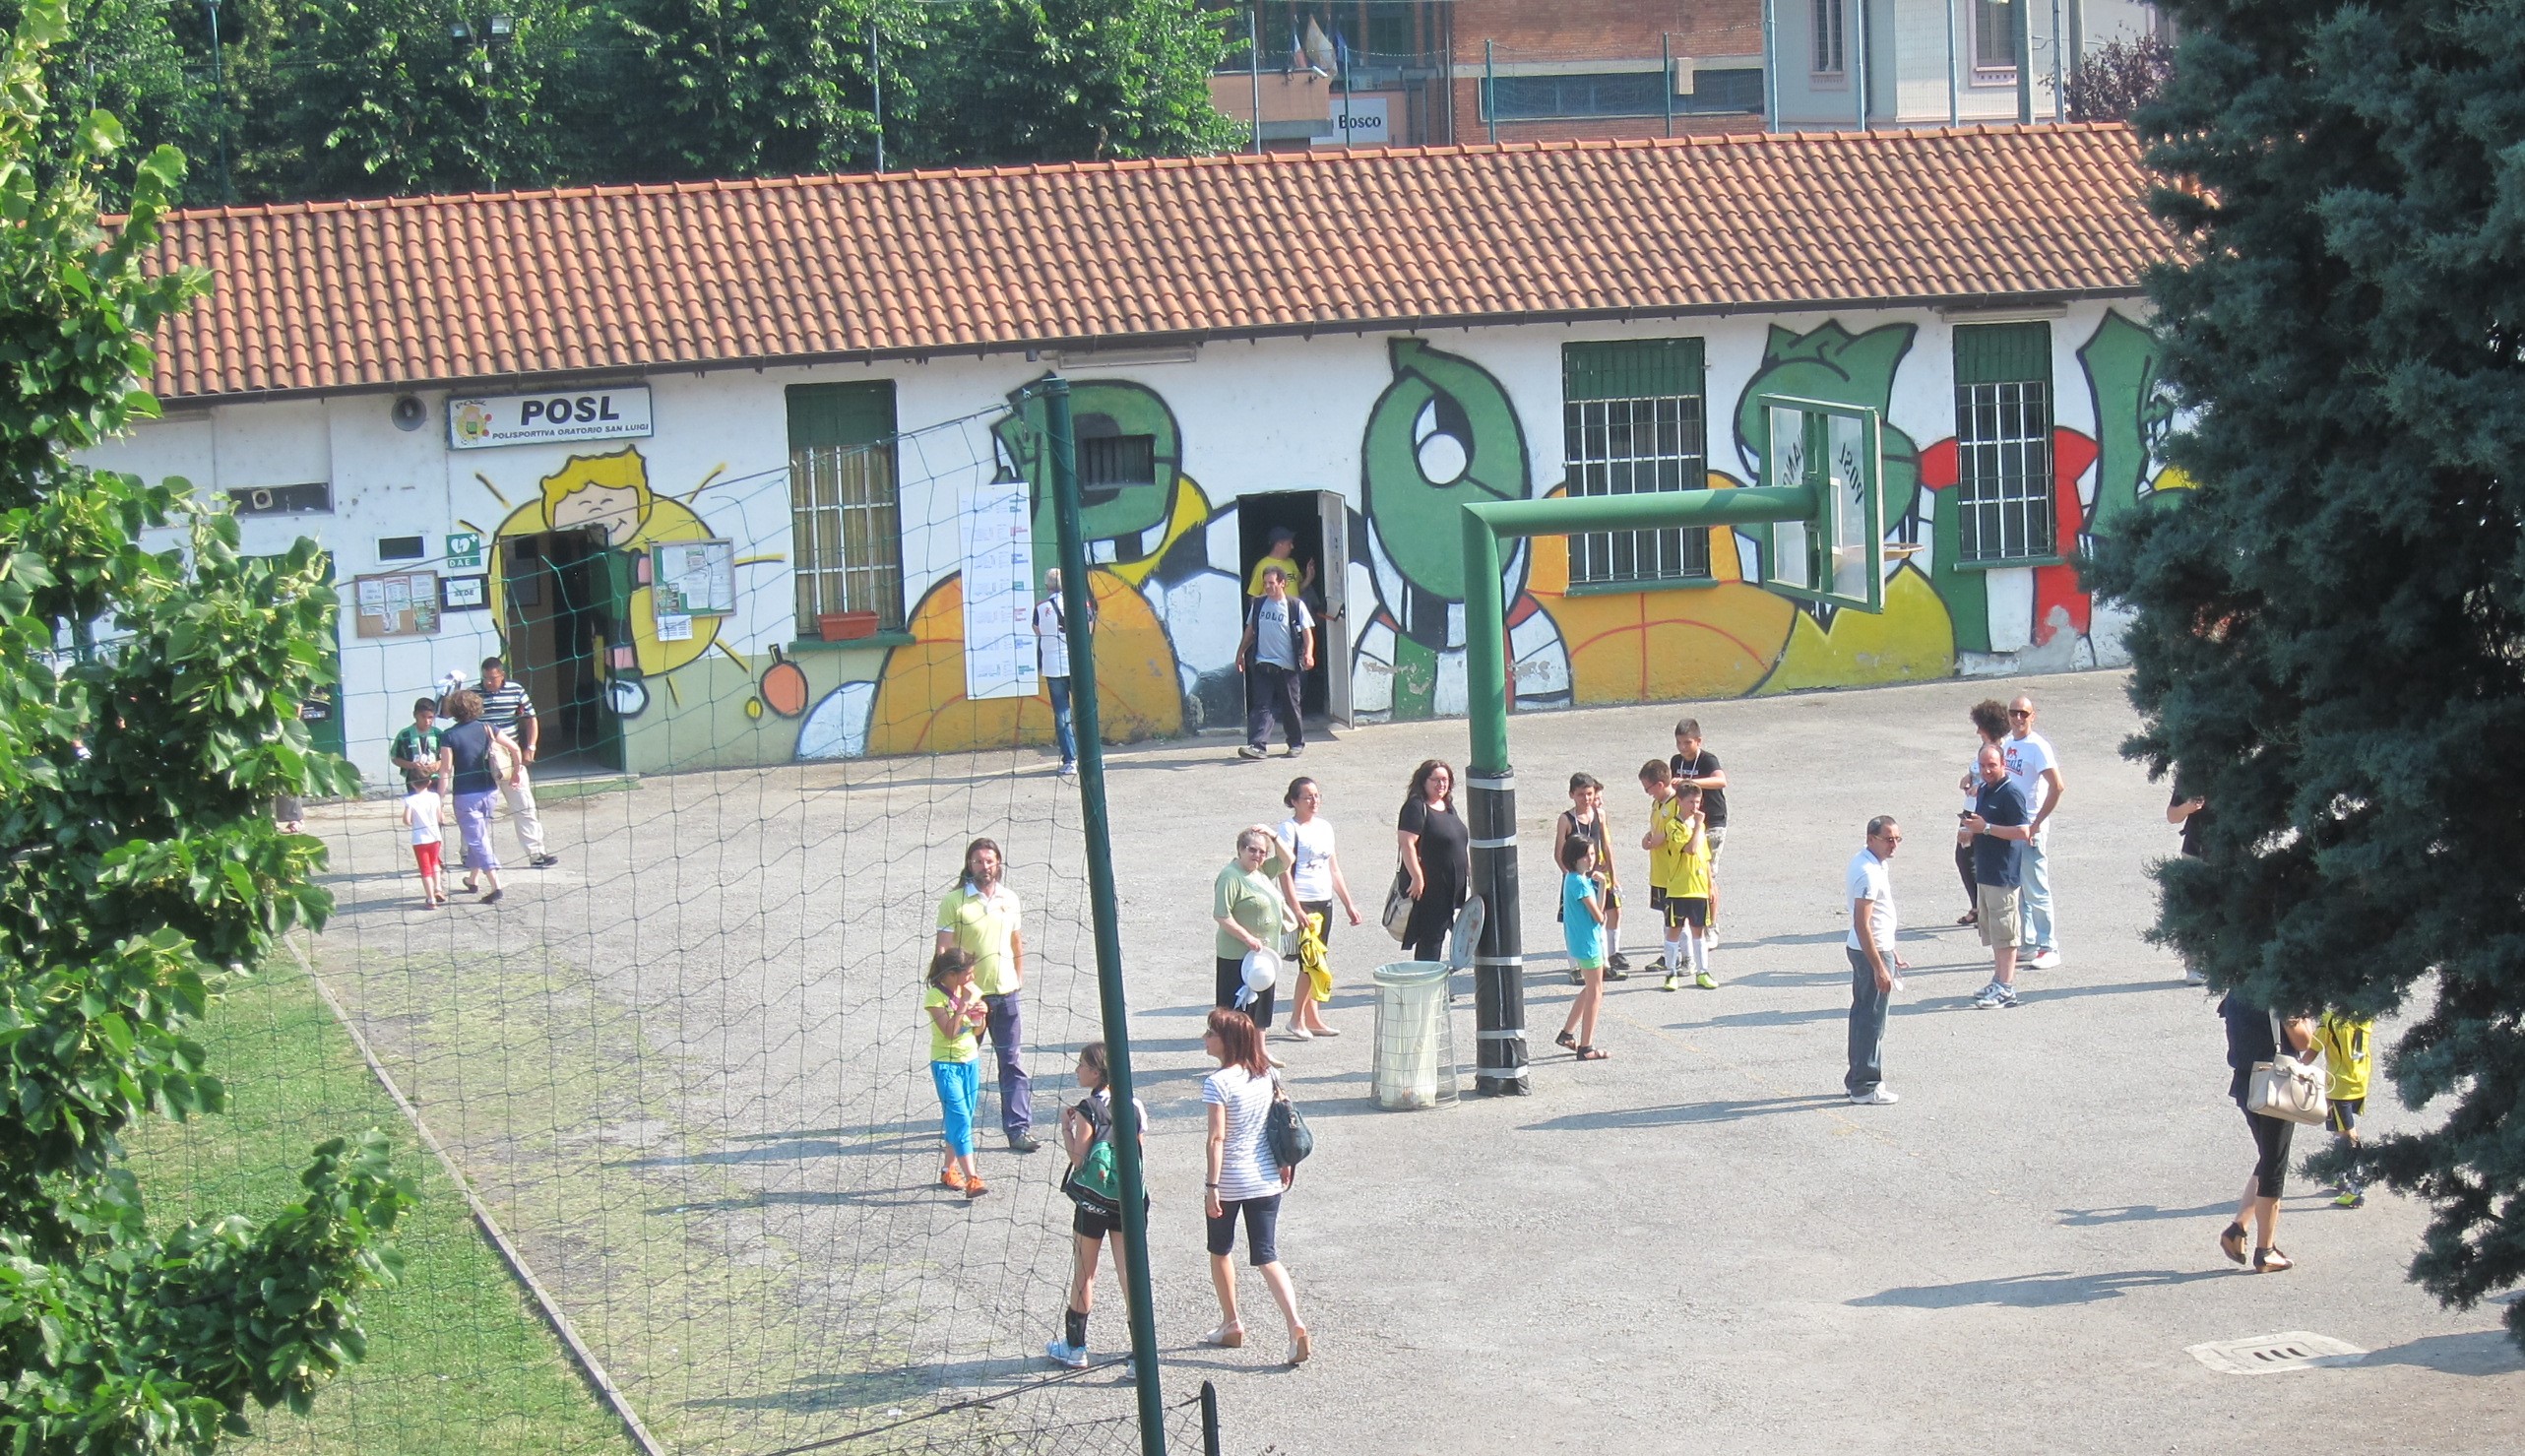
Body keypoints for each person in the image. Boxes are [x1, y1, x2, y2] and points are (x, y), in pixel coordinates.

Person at [1200, 1007, 1308, 1365]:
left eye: (1211, 1033)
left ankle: (1231, 1323)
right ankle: (1294, 1325)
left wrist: (1211, 1185)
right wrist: (1284, 1163)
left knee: (1220, 1249)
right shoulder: (1267, 1074)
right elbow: (1279, 1122)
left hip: (1230, 1179)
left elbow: (1217, 1138)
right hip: (1265, 1178)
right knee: (1267, 1254)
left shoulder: (1218, 1083)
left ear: (1226, 1041)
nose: (1205, 1038)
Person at [935, 839, 1039, 1153]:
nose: (985, 867)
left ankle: (1018, 1128)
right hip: (970, 1000)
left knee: (1012, 1062)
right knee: (962, 1064)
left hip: (1006, 995)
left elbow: (1016, 942)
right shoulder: (954, 901)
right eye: (978, 861)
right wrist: (955, 994)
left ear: (999, 863)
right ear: (969, 864)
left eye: (990, 861)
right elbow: (943, 950)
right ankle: (957, 1125)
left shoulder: (1010, 898)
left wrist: (1017, 977)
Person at [1045, 1042, 1145, 1368]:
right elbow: (1137, 1153)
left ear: (1096, 1071)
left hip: (1093, 1203)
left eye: (1081, 1065)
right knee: (1130, 1274)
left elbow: (1079, 1159)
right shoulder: (1134, 1105)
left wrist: (1066, 1128)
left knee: (1085, 1271)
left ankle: (1075, 1348)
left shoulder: (1089, 1107)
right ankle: (1139, 1355)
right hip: (1129, 1200)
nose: (1077, 1070)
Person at [2218, 993, 2316, 1272]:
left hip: (2245, 1082)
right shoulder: (2280, 991)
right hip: (2275, 1085)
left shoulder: (2237, 989)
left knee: (2267, 1157)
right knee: (2274, 1165)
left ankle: (2238, 1228)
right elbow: (2303, 1041)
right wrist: (2308, 1016)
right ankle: (2266, 1250)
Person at [1275, 778, 1361, 1041]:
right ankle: (1295, 1019)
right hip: (1304, 900)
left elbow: (1334, 869)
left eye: (1317, 796)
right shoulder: (1289, 829)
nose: (1314, 801)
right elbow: (1284, 872)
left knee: (1318, 960)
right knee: (1309, 962)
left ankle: (1313, 1018)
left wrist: (1349, 904)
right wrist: (1295, 908)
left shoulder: (1324, 827)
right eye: (1307, 797)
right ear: (1293, 801)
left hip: (1324, 900)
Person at [1963, 744, 2033, 1009]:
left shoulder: (2012, 793)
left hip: (2004, 874)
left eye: (1992, 765)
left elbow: (2023, 832)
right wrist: (1971, 832)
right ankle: (1998, 979)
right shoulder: (1984, 789)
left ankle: (2007, 988)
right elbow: (1982, 823)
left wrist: (1987, 828)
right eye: (1982, 766)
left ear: (2003, 764)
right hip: (1986, 871)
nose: (1987, 770)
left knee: (2006, 933)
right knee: (1994, 931)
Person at [1845, 816, 1909, 1105]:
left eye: (1897, 838)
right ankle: (1865, 1085)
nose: (1894, 845)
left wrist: (1891, 950)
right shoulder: (1867, 873)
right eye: (1888, 839)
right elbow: (1863, 923)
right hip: (1869, 952)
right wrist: (1879, 966)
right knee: (1871, 1020)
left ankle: (1857, 1079)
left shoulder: (1873, 863)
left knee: (1864, 1016)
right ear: (1871, 838)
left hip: (1876, 948)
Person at [474, 657, 557, 869]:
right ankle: (469, 854)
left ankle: (537, 853)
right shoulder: (474, 694)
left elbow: (530, 717)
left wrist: (530, 747)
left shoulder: (515, 690)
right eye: (485, 679)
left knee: (524, 805)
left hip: (511, 758)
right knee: (477, 810)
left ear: (502, 675)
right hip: (481, 760)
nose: (489, 683)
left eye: (492, 678)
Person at [924, 947, 992, 1199]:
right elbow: (949, 1032)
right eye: (968, 974)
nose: (972, 980)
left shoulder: (970, 993)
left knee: (962, 1119)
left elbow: (976, 1032)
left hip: (970, 1061)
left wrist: (981, 1017)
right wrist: (964, 1004)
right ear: (952, 974)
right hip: (946, 1064)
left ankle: (948, 1170)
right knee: (961, 1118)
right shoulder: (935, 997)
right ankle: (972, 1178)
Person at [1638, 763, 1714, 991]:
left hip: (1695, 885)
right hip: (1672, 880)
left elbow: (1701, 855)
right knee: (1672, 924)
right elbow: (1672, 839)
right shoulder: (1671, 818)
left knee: (1696, 929)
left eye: (1697, 802)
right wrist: (1648, 839)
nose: (1695, 806)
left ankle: (1696, 966)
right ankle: (1672, 969)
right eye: (1691, 802)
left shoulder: (1689, 819)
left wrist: (1710, 885)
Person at [2002, 695, 2064, 968]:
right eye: (2014, 713)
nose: (2018, 718)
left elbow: (2057, 786)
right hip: (2011, 826)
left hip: (2029, 826)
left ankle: (2048, 946)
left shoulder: (2038, 747)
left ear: (2033, 716)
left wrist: (2037, 823)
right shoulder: (2007, 743)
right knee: (2019, 889)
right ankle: (2027, 944)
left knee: (2036, 888)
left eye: (2023, 714)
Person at [1215, 826, 1293, 1031]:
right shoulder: (1230, 876)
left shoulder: (1261, 871)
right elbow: (1222, 915)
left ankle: (1259, 1055)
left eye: (1262, 852)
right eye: (1252, 850)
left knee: (1260, 1010)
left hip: (1264, 955)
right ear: (1240, 849)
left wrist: (1274, 836)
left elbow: (1287, 860)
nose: (1257, 855)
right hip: (1238, 956)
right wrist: (1247, 938)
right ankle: (1236, 1057)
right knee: (1236, 1015)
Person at [1395, 759, 1470, 966]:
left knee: (1445, 936)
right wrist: (1418, 878)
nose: (1441, 785)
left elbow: (1458, 842)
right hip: (1431, 887)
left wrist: (1470, 871)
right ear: (1423, 781)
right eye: (1435, 780)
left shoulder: (1447, 805)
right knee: (1431, 939)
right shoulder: (1416, 806)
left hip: (1451, 886)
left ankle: (1435, 982)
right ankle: (1428, 985)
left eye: (1445, 780)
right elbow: (1407, 844)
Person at [1234, 565, 1314, 761]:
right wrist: (1240, 654)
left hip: (1287, 666)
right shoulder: (1259, 604)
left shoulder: (1294, 606)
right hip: (1262, 663)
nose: (1268, 587)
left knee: (1290, 706)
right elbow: (1250, 632)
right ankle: (1257, 746)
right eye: (1265, 583)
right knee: (1262, 706)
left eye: (1272, 583)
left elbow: (1307, 634)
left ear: (1282, 583)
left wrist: (1309, 654)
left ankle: (1296, 743)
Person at [434, 689, 506, 904]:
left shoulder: (449, 736)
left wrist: (439, 798)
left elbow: (445, 770)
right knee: (479, 835)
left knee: (477, 839)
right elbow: (512, 747)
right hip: (490, 792)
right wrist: (517, 770)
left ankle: (496, 885)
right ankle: (472, 880)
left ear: (453, 710)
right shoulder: (487, 728)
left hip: (466, 795)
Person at [1553, 773, 1628, 980]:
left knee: (1598, 920)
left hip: (1595, 877)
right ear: (1571, 795)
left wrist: (1613, 875)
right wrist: (1573, 877)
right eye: (1580, 795)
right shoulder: (1566, 819)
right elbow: (1559, 853)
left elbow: (1606, 845)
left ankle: (1602, 964)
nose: (1585, 799)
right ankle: (1575, 968)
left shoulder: (1599, 814)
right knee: (1573, 921)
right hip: (1576, 877)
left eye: (1589, 794)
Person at [1670, 719, 1729, 946]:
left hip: (1711, 822)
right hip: (1686, 824)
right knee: (1687, 874)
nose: (1683, 748)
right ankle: (1690, 925)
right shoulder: (1676, 761)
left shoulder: (1707, 759)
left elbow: (1721, 780)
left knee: (1708, 875)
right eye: (1679, 743)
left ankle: (1711, 928)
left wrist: (1690, 780)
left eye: (1687, 743)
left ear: (1698, 741)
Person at [1032, 568, 1093, 778]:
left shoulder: (1040, 607)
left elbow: (1037, 630)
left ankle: (1070, 760)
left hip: (1053, 666)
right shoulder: (1079, 602)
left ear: (1047, 586)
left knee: (1062, 713)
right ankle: (1093, 758)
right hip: (1078, 664)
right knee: (1086, 712)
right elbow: (1089, 626)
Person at [1554, 835, 1610, 1061]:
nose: (1591, 859)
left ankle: (1567, 1033)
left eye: (1593, 854)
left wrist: (1601, 885)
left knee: (1589, 988)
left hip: (1582, 940)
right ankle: (1586, 1046)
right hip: (1588, 942)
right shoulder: (1579, 882)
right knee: (1596, 991)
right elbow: (1599, 916)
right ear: (1574, 858)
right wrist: (1604, 886)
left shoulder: (1574, 878)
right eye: (1586, 855)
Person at [1954, 700, 2010, 925]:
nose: (1977, 730)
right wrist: (1969, 777)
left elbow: (2005, 779)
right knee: (1964, 857)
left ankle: (1983, 908)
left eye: (1980, 726)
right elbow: (1976, 769)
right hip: (1970, 808)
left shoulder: (2003, 750)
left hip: (1985, 810)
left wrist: (1983, 787)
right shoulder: (1984, 748)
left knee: (1977, 858)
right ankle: (1977, 906)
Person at [2314, 1009, 2375, 1209]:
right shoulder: (2365, 1012)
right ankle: (2341, 1174)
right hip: (2360, 1078)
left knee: (2348, 1133)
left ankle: (2356, 1188)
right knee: (2335, 1125)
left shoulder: (2331, 1018)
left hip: (2340, 1085)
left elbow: (2313, 1046)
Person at [2167, 773, 2212, 984]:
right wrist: (2188, 807)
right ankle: (2195, 967)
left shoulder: (2242, 766)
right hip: (2196, 851)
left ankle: (2228, 964)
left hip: (2233, 852)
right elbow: (2173, 815)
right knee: (2193, 910)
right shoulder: (2192, 771)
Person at [404, 776, 446, 909]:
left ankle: (431, 899)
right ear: (429, 782)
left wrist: (413, 821)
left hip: (420, 839)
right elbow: (441, 817)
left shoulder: (410, 800)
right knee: (435, 863)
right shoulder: (434, 797)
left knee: (425, 870)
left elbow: (407, 820)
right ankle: (438, 888)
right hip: (435, 837)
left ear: (412, 784)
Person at [390, 696, 444, 793]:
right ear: (415, 715)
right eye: (423, 717)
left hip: (434, 778)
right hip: (414, 780)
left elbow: (447, 757)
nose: (427, 721)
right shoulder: (404, 735)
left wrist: (438, 764)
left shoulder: (438, 734)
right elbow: (395, 758)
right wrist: (411, 765)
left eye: (430, 717)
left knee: (434, 806)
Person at [1243, 525, 1315, 599]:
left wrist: (1308, 578)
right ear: (1279, 544)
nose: (1292, 547)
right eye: (1289, 543)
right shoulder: (1262, 565)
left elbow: (1297, 589)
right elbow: (1253, 596)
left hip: (1292, 609)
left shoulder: (1291, 562)